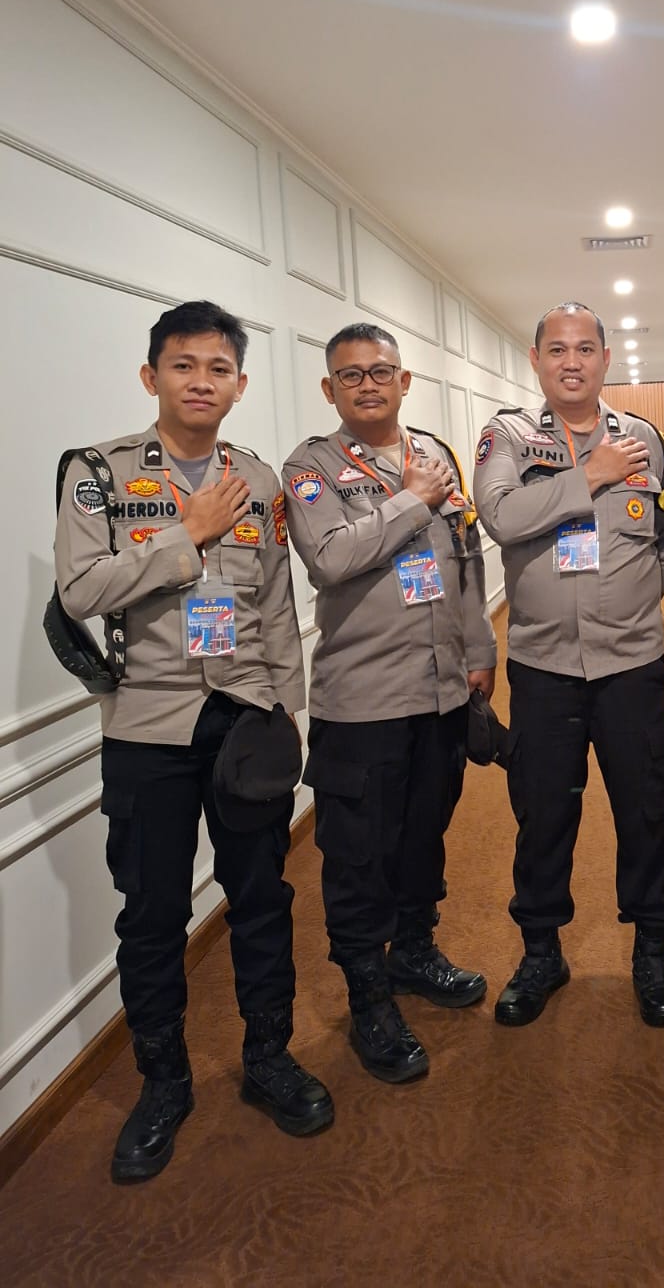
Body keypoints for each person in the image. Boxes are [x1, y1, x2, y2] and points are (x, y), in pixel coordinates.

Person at [53, 301, 333, 1185]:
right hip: (148, 728)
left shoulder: (257, 478)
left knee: (261, 898)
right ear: (152, 376)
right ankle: (164, 1083)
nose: (201, 382)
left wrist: (287, 709)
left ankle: (269, 1057)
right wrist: (189, 534)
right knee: (152, 915)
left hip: (245, 718)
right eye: (184, 365)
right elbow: (81, 589)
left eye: (218, 369)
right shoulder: (100, 473)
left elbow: (276, 604)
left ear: (239, 385)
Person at [282, 323, 496, 1083]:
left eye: (381, 372)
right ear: (329, 389)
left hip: (439, 693)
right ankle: (368, 998)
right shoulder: (310, 467)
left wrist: (480, 651)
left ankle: (413, 951)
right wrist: (411, 499)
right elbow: (330, 558)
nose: (367, 385)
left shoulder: (435, 454)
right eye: (351, 375)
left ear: (404, 382)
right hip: (363, 702)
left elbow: (465, 557)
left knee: (422, 837)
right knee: (358, 856)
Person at [473, 302, 664, 1028]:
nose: (572, 362)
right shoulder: (507, 435)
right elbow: (500, 516)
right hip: (543, 665)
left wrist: (635, 598)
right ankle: (541, 952)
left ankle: (652, 951)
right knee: (543, 812)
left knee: (647, 806)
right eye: (558, 350)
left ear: (605, 360)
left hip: (632, 664)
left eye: (586, 349)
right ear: (536, 360)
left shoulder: (646, 439)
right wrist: (589, 475)